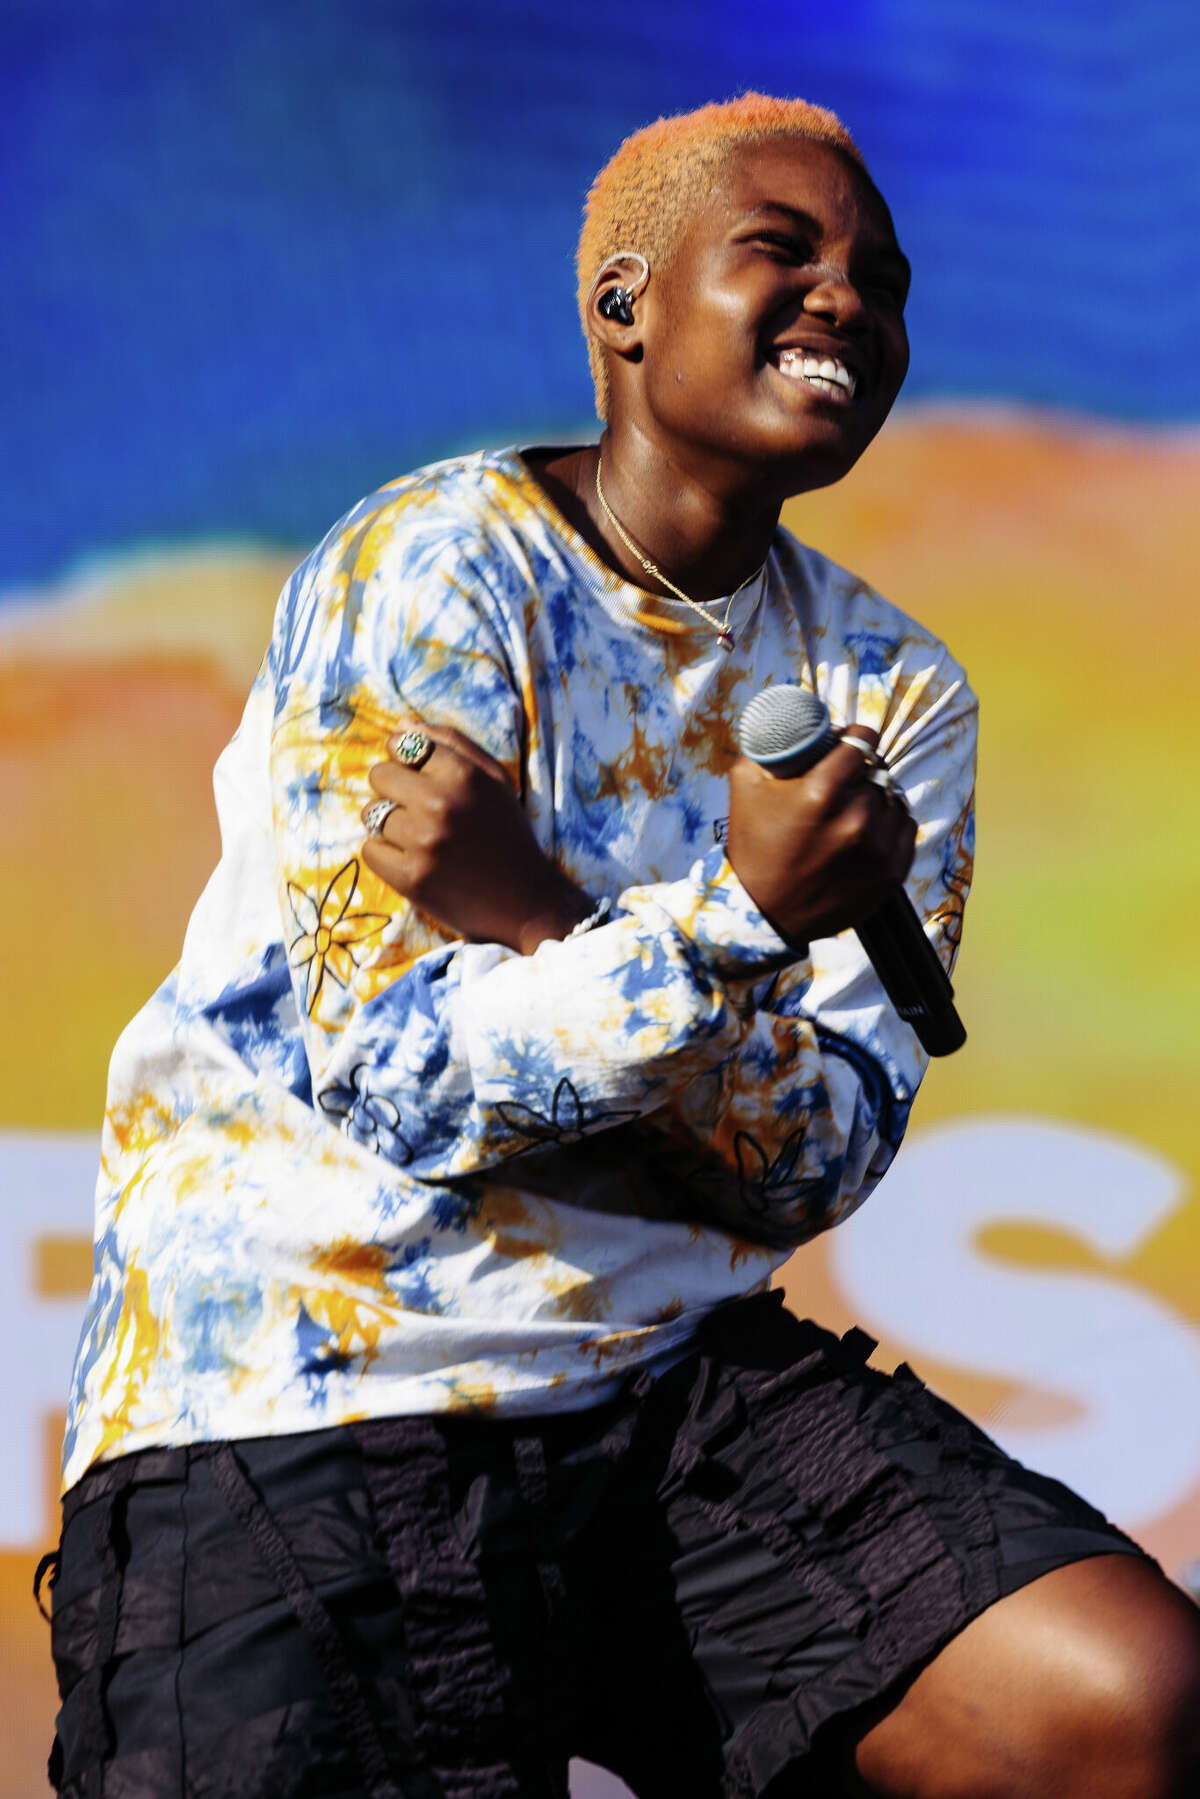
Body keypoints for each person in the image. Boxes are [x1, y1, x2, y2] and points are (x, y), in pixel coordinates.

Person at [44, 93, 1200, 1799]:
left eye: (880, 280)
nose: (846, 304)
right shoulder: (434, 566)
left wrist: (552, 918)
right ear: (625, 307)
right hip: (303, 1393)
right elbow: (401, 1081)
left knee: (1116, 1702)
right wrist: (740, 924)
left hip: (664, 1393)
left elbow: (807, 1163)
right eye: (784, 254)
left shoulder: (896, 693)